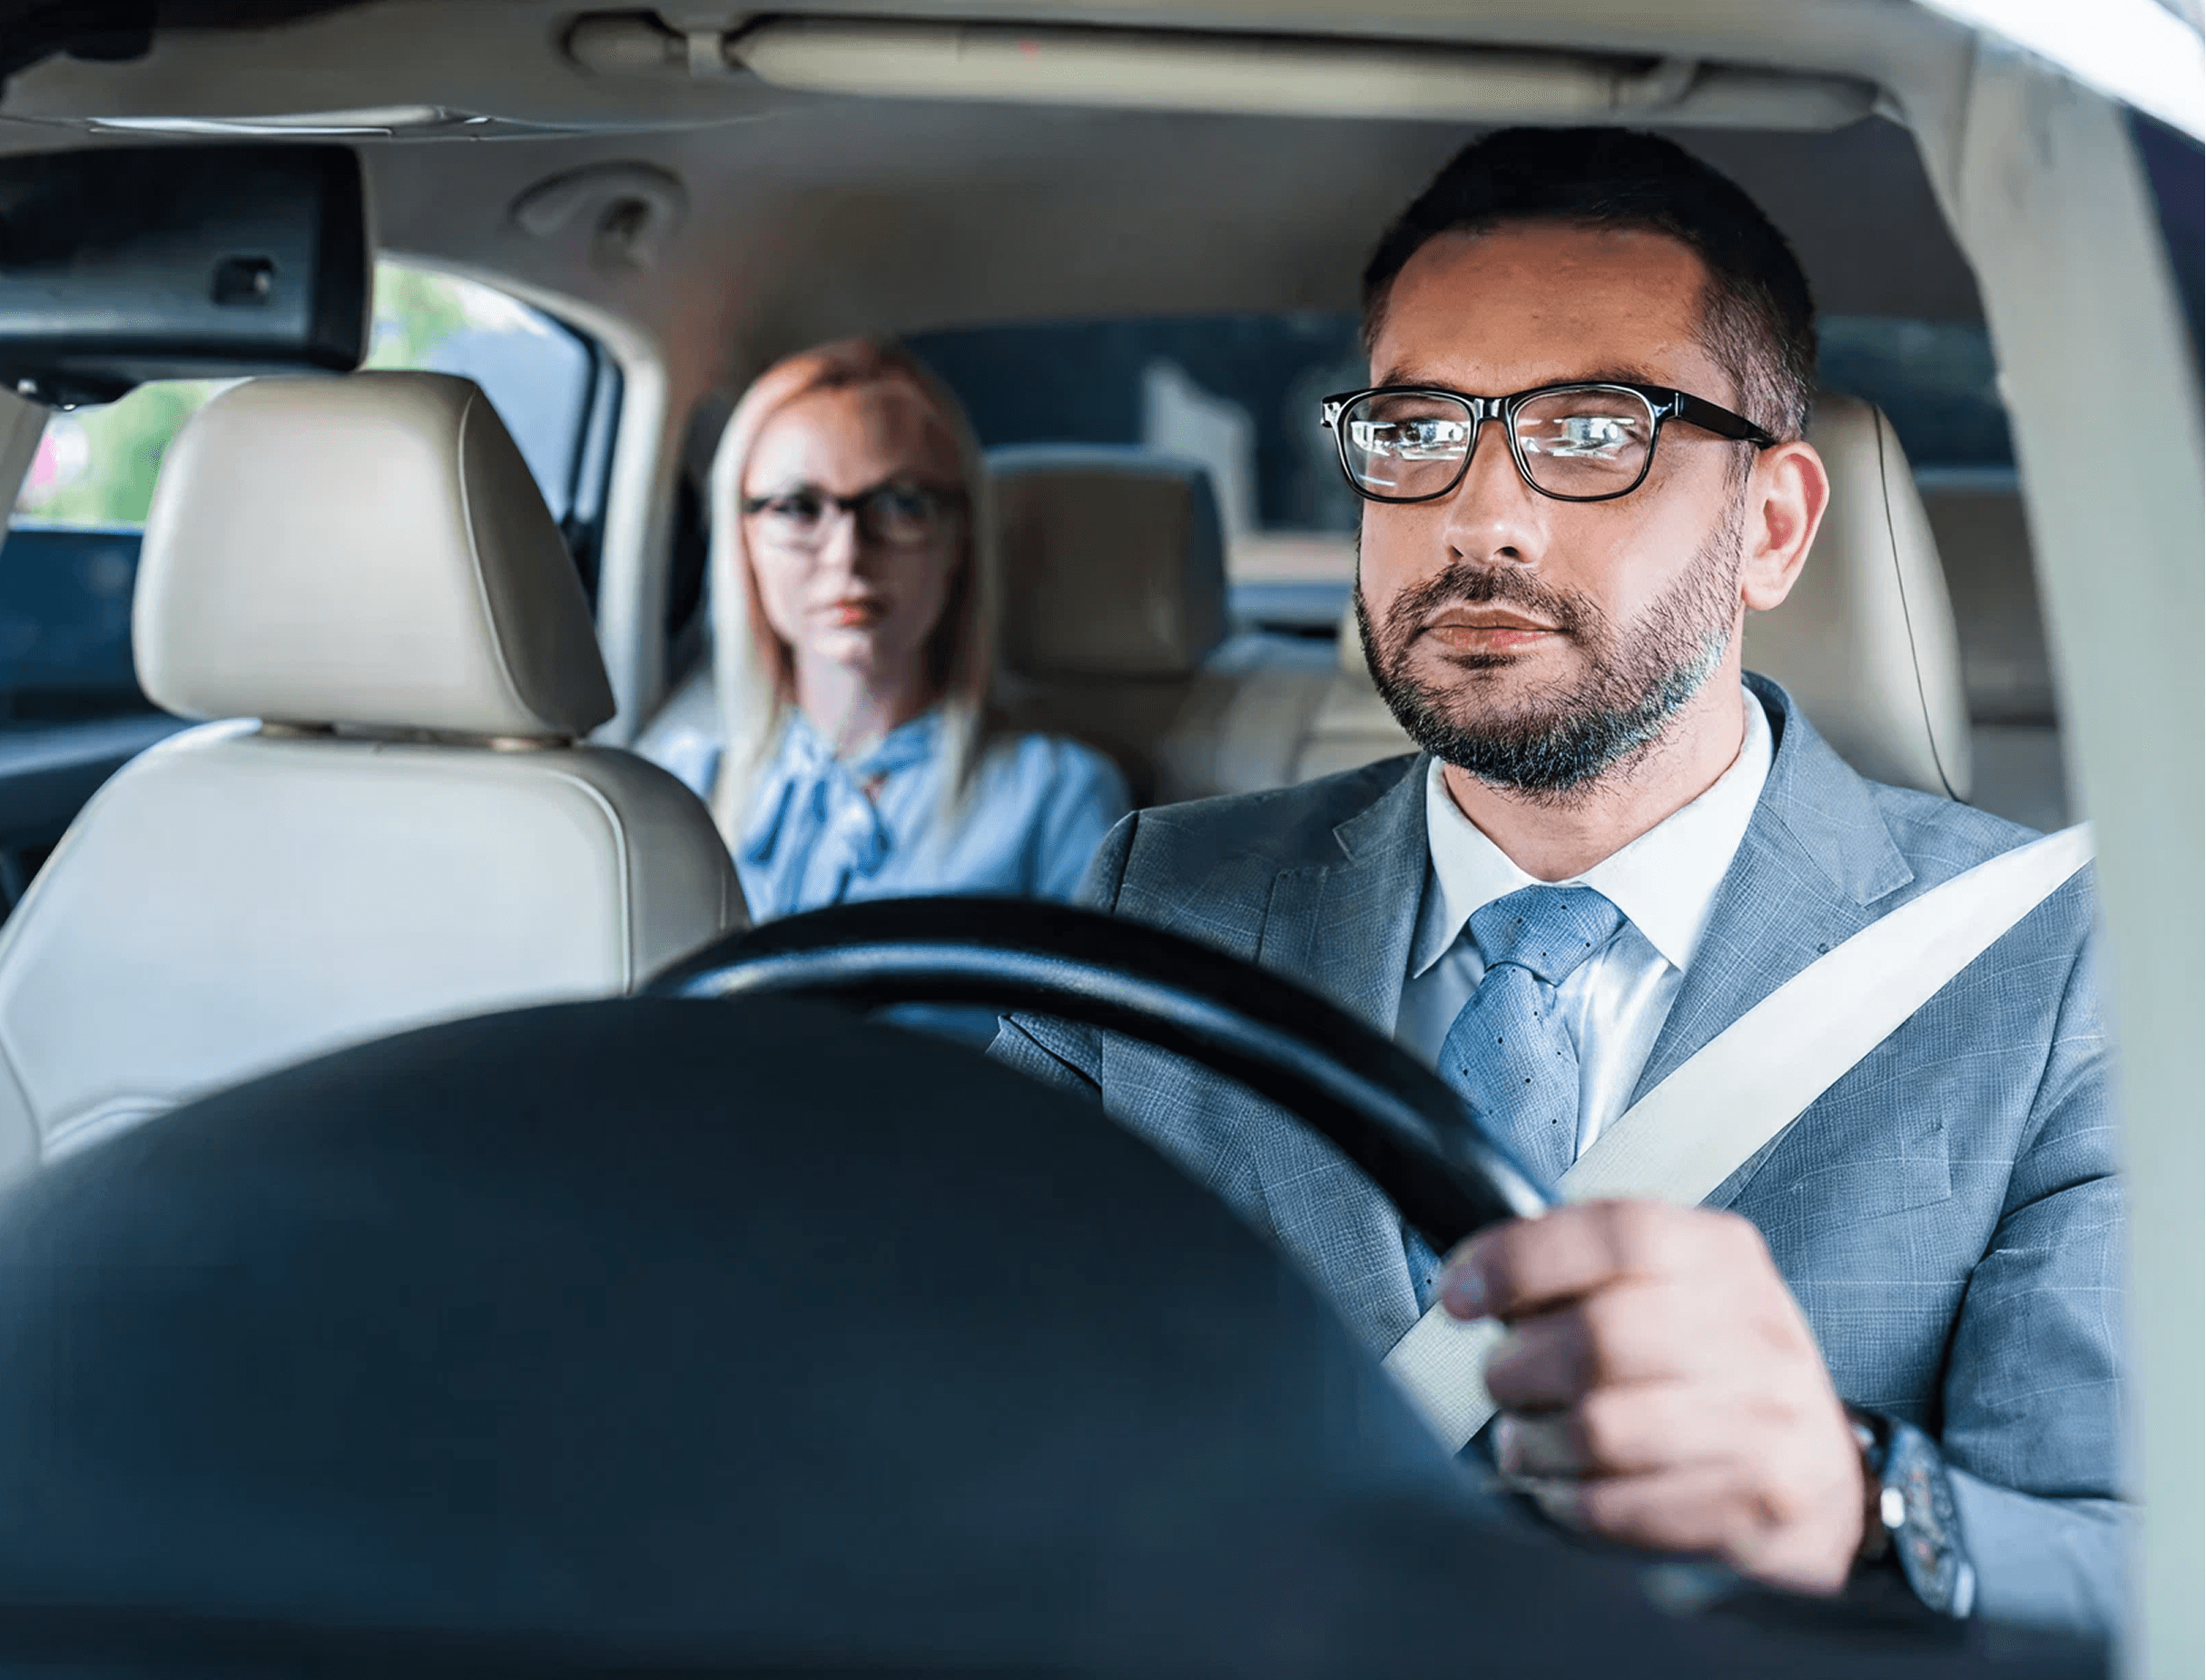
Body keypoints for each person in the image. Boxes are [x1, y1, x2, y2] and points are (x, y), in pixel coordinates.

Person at [990, 130, 2122, 1634]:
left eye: (1592, 434)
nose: (1480, 517)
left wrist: (1864, 1501)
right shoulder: (1160, 898)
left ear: (1770, 527)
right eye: (1415, 432)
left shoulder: (2059, 967)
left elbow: (2137, 1564)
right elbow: (962, 1402)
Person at [646, 339, 1130, 919]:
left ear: (959, 540)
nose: (848, 557)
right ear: (742, 541)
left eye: (900, 504)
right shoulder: (680, 785)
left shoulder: (1055, 796)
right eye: (799, 508)